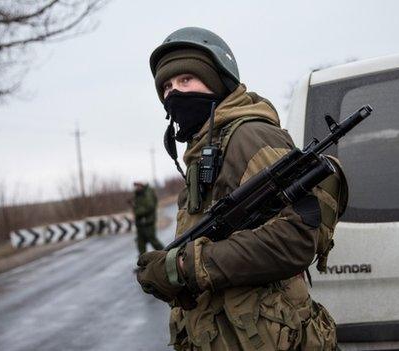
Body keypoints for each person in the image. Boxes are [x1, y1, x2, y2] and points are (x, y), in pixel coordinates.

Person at [136, 27, 347, 350]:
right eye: (166, 86)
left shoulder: (250, 136)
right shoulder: (205, 149)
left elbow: (297, 238)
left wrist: (187, 265)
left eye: (186, 80)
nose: (174, 93)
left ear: (218, 81)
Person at [132, 181, 163, 255]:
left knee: (154, 241)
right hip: (140, 223)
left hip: (148, 222)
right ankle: (143, 263)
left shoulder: (147, 193)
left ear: (142, 185)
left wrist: (137, 211)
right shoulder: (138, 194)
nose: (136, 187)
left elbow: (150, 206)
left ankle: (165, 254)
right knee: (140, 243)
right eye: (135, 186)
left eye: (137, 185)